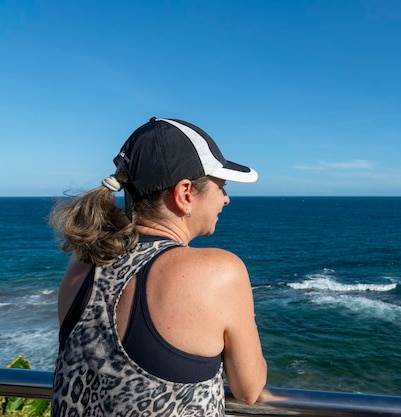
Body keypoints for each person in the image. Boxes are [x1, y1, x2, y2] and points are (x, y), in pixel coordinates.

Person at [49, 117, 267, 416]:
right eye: (222, 186)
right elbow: (249, 389)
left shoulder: (84, 263)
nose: (226, 199)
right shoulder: (220, 271)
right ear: (185, 193)